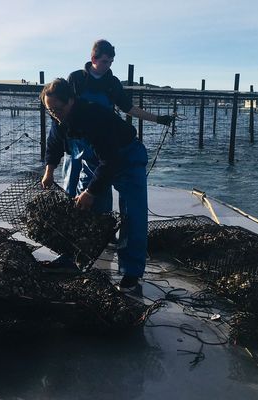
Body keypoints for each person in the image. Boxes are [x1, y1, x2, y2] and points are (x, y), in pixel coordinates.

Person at [41, 78, 148, 291]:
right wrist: (49, 171)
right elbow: (54, 143)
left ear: (71, 100)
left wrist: (91, 191)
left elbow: (110, 161)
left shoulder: (94, 116)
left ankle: (131, 273)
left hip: (126, 159)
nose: (54, 114)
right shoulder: (58, 116)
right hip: (94, 162)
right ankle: (73, 258)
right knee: (82, 210)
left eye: (57, 109)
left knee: (132, 216)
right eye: (49, 110)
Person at [58, 39, 173, 213]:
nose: (108, 66)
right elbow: (63, 109)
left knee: (98, 186)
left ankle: (103, 227)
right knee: (71, 186)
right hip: (77, 140)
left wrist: (158, 119)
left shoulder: (112, 83)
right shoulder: (76, 78)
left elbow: (128, 108)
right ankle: (67, 218)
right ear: (93, 58)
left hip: (100, 139)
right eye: (105, 61)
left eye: (111, 62)